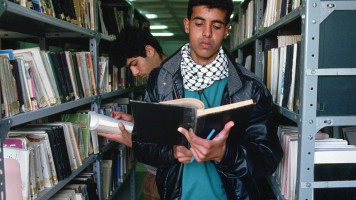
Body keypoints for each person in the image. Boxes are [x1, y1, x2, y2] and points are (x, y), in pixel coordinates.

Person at [131, 0, 283, 199]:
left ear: (226, 30)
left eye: (217, 26)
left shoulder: (250, 87)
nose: (207, 33)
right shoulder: (160, 80)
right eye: (199, 23)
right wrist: (172, 152)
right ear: (187, 25)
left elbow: (267, 157)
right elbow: (141, 145)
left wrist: (224, 154)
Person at [97, 26, 167, 200]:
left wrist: (134, 141)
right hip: (152, 174)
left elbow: (174, 136)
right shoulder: (155, 80)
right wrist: (134, 120)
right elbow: (161, 123)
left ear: (149, 51)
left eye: (135, 64)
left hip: (169, 176)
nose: (134, 72)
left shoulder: (175, 81)